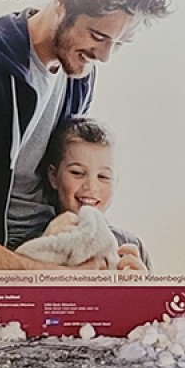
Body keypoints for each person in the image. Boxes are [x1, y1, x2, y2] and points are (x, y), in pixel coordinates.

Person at [0, 0, 171, 271]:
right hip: (3, 246)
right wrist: (48, 277)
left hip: (55, 231)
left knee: (133, 255)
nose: (105, 56)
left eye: (119, 43)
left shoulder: (78, 74)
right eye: (98, 36)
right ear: (61, 1)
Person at [33, 116, 148, 271]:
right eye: (77, 172)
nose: (91, 186)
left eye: (103, 177)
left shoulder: (132, 247)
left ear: (116, 182)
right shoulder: (37, 242)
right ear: (53, 176)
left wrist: (143, 290)